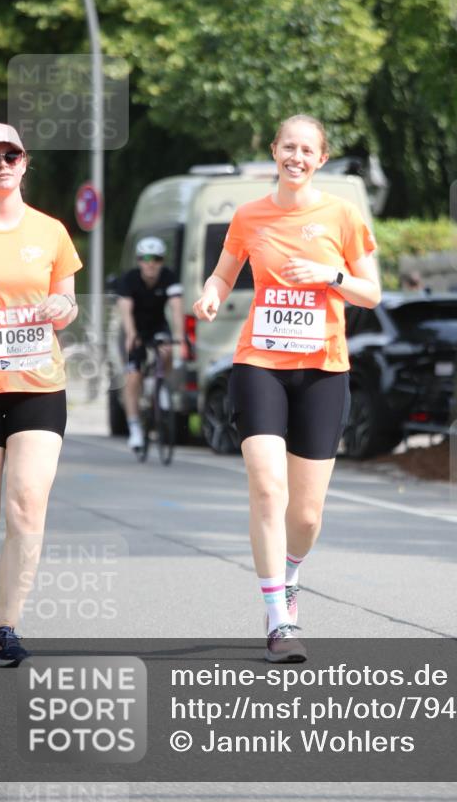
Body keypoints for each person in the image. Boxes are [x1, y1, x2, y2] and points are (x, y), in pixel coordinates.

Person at [193, 114, 381, 662]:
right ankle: (279, 620)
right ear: (274, 151)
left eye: (307, 150)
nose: (296, 157)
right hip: (260, 364)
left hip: (323, 368)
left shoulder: (342, 215)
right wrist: (210, 293)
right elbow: (224, 274)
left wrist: (330, 277)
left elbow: (372, 292)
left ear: (320, 159)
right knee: (268, 488)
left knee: (307, 514)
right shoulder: (249, 215)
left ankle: (291, 575)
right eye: (288, 147)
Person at [0, 122, 82, 666]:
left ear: (25, 162)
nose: (0, 165)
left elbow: (67, 302)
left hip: (39, 384)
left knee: (26, 505)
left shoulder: (51, 231)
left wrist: (62, 309)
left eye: (9, 155)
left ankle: (4, 629)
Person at [116, 237, 184, 450]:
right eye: (146, 259)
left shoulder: (169, 277)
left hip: (157, 327)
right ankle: (135, 426)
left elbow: (176, 308)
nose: (151, 263)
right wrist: (131, 335)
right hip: (134, 328)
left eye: (156, 259)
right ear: (139, 260)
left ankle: (159, 383)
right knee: (133, 376)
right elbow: (125, 310)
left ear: (162, 261)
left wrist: (179, 337)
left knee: (166, 350)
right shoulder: (129, 279)